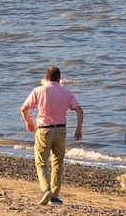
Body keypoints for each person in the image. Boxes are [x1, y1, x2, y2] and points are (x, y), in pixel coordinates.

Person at [20, 66, 83, 205]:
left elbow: (24, 108)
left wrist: (29, 122)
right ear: (59, 79)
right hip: (61, 130)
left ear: (46, 77)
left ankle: (45, 189)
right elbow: (79, 110)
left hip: (44, 129)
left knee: (41, 162)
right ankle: (54, 195)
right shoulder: (66, 92)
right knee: (57, 163)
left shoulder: (39, 90)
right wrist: (79, 129)